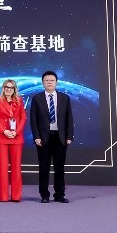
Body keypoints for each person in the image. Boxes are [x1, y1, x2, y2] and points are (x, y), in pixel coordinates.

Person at [27, 71, 73, 203]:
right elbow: (33, 120)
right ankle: (44, 195)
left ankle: (59, 194)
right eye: (46, 80)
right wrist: (36, 136)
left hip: (60, 137)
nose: (49, 82)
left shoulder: (65, 98)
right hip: (43, 138)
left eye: (52, 80)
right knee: (44, 167)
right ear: (43, 83)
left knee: (59, 168)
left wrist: (69, 136)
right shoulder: (37, 98)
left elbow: (69, 118)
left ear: (56, 82)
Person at [0, 78, 27, 202]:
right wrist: (4, 131)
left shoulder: (19, 101)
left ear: (14, 89)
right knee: (2, 167)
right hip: (2, 137)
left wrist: (16, 132)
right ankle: (4, 196)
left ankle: (16, 196)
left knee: (16, 167)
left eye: (11, 88)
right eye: (7, 87)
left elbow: (23, 118)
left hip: (16, 138)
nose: (9, 89)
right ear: (3, 88)